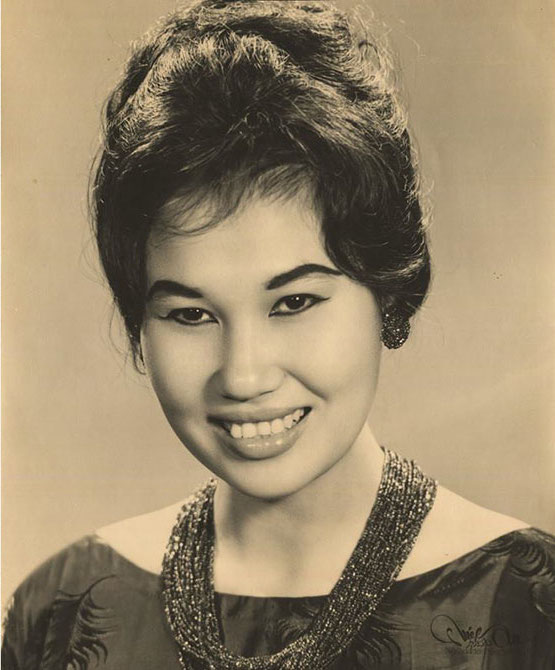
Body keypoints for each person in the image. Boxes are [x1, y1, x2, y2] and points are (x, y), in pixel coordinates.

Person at [2, 1, 554, 668]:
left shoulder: (526, 602)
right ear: (139, 324)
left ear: (386, 291)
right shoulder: (61, 611)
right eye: (190, 315)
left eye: (293, 302)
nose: (243, 375)